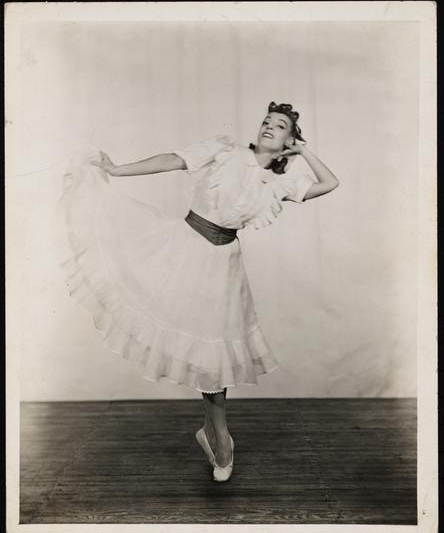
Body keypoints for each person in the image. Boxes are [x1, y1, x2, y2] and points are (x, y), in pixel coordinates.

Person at [60, 101, 339, 483]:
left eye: (280, 126)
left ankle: (215, 434)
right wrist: (117, 169)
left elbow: (330, 183)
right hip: (185, 249)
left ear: (289, 140)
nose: (269, 127)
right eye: (266, 121)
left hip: (224, 265)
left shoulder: (280, 183)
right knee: (197, 349)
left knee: (213, 356)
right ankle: (219, 436)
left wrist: (304, 151)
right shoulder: (224, 151)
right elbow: (173, 159)